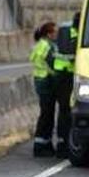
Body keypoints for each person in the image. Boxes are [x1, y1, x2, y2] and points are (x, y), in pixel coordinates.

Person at [51, 12, 81, 159]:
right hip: (66, 75)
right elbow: (71, 53)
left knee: (66, 110)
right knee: (66, 110)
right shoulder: (71, 32)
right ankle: (63, 145)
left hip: (66, 74)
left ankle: (65, 143)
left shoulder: (67, 29)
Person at [30, 21, 59, 158]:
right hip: (45, 80)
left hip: (40, 80)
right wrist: (53, 72)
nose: (57, 35)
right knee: (47, 113)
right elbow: (43, 62)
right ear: (49, 34)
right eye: (55, 32)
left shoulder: (41, 44)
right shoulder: (46, 46)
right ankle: (41, 145)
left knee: (47, 112)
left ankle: (44, 144)